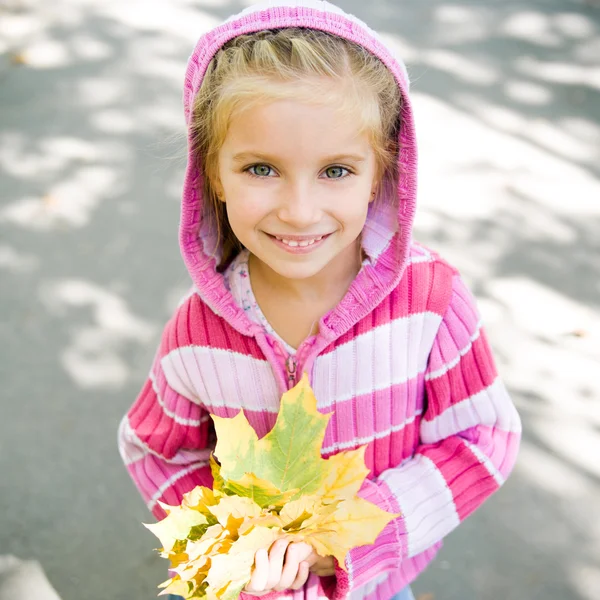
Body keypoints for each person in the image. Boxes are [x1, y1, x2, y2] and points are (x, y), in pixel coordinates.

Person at [118, 2, 522, 600]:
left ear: (382, 173)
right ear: (214, 174)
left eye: (336, 170)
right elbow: (156, 450)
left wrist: (348, 540)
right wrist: (232, 544)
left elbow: (481, 438)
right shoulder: (196, 336)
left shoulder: (430, 303)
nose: (300, 210)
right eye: (261, 168)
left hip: (379, 582)